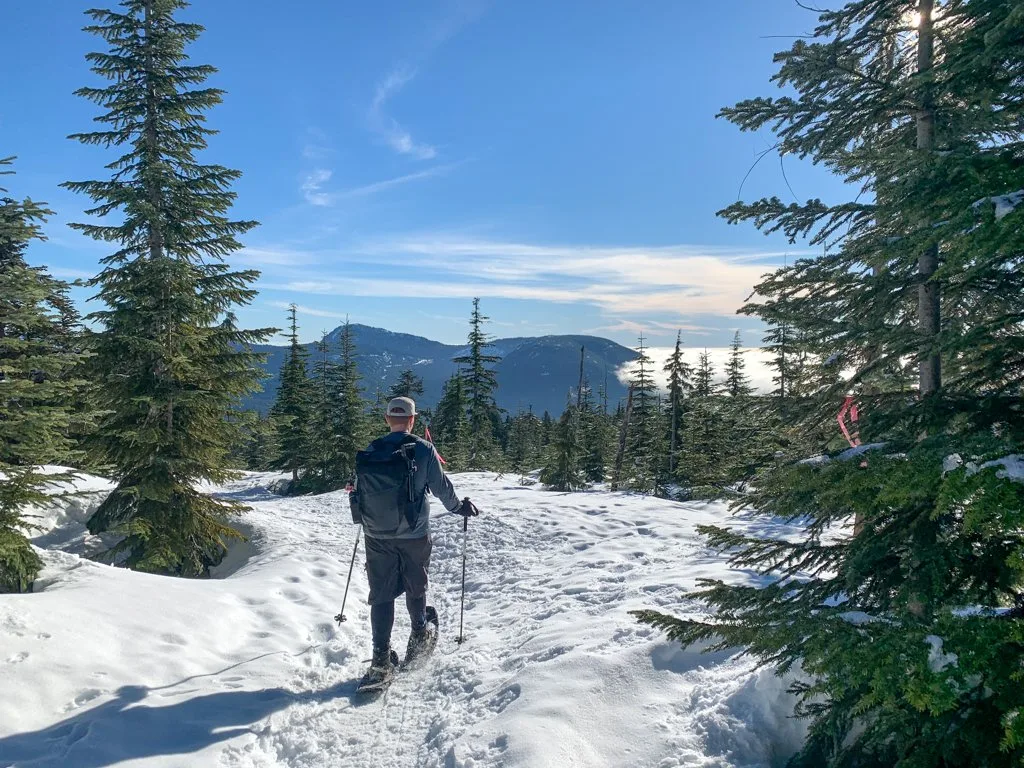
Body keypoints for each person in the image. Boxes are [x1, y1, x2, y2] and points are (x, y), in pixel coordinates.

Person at [350, 396, 476, 688]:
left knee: (381, 594)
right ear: (412, 419)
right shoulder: (422, 449)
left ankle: (380, 659)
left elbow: (358, 491)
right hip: (414, 532)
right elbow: (442, 489)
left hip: (376, 534)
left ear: (386, 419)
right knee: (415, 585)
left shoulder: (371, 450)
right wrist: (459, 508)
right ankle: (419, 633)